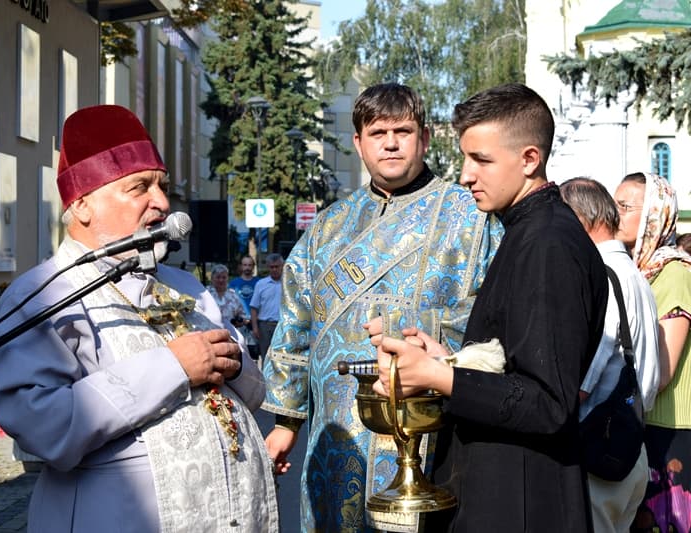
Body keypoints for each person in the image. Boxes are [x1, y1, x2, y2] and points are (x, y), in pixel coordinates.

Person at [0, 105, 278, 532]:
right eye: (139, 187)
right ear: (82, 204)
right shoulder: (40, 296)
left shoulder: (187, 286)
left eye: (161, 186)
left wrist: (230, 361)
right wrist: (173, 366)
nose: (161, 203)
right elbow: (42, 428)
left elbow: (251, 392)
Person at [261, 82, 503, 532]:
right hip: (336, 434)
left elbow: (494, 314)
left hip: (428, 429)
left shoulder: (470, 215)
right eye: (378, 133)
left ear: (424, 138)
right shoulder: (329, 225)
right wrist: (284, 424)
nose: (390, 143)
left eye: (403, 131)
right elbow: (296, 322)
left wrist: (411, 332)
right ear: (358, 143)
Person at [369, 83, 608, 532]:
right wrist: (449, 359)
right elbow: (515, 361)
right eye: (464, 158)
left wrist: (438, 376)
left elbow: (548, 402)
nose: (465, 175)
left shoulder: (548, 244)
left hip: (521, 500)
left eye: (481, 160)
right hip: (503, 488)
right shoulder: (524, 230)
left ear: (529, 159)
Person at [560, 177, 660, 532]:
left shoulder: (604, 274)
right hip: (631, 447)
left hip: (600, 449)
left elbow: (586, 381)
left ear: (580, 220)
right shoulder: (635, 274)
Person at [613, 172, 691, 533]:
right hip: (644, 418)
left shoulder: (674, 270)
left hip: (671, 426)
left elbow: (663, 370)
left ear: (654, 216)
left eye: (625, 206)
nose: (614, 213)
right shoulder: (639, 269)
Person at [250, 253, 284, 361]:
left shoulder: (289, 284)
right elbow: (254, 307)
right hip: (264, 326)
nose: (274, 269)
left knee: (282, 358)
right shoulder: (261, 284)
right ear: (268, 267)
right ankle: (265, 378)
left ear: (282, 266)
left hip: (282, 326)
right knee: (266, 357)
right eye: (272, 267)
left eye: (277, 267)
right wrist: (255, 327)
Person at [230, 255, 260, 359]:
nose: (247, 267)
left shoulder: (259, 283)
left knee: (254, 354)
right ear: (241, 266)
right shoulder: (233, 283)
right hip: (239, 323)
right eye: (245, 265)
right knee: (239, 352)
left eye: (250, 265)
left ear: (253, 267)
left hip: (254, 323)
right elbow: (230, 303)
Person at [207, 263, 248, 328]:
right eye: (218, 277)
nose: (221, 280)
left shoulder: (233, 295)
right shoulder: (206, 294)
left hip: (230, 333)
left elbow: (242, 315)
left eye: (224, 277)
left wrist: (240, 322)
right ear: (212, 278)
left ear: (227, 279)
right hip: (210, 332)